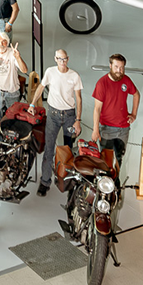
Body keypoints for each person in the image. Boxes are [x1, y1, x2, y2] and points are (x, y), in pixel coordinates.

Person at [30, 49, 84, 195]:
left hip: (69, 116)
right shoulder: (50, 72)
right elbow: (41, 87)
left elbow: (78, 99)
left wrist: (78, 120)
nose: (62, 62)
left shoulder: (74, 76)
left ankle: (66, 181)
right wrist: (32, 104)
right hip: (53, 115)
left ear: (68, 59)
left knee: (67, 150)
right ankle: (45, 182)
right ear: (55, 59)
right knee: (49, 149)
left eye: (64, 59)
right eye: (60, 59)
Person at [92, 54, 139, 161]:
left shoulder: (126, 80)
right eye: (116, 67)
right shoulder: (102, 83)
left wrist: (134, 114)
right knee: (105, 161)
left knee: (119, 160)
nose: (119, 70)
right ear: (110, 66)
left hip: (123, 129)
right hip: (106, 128)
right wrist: (95, 130)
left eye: (122, 67)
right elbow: (97, 109)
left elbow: (136, 94)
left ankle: (116, 173)